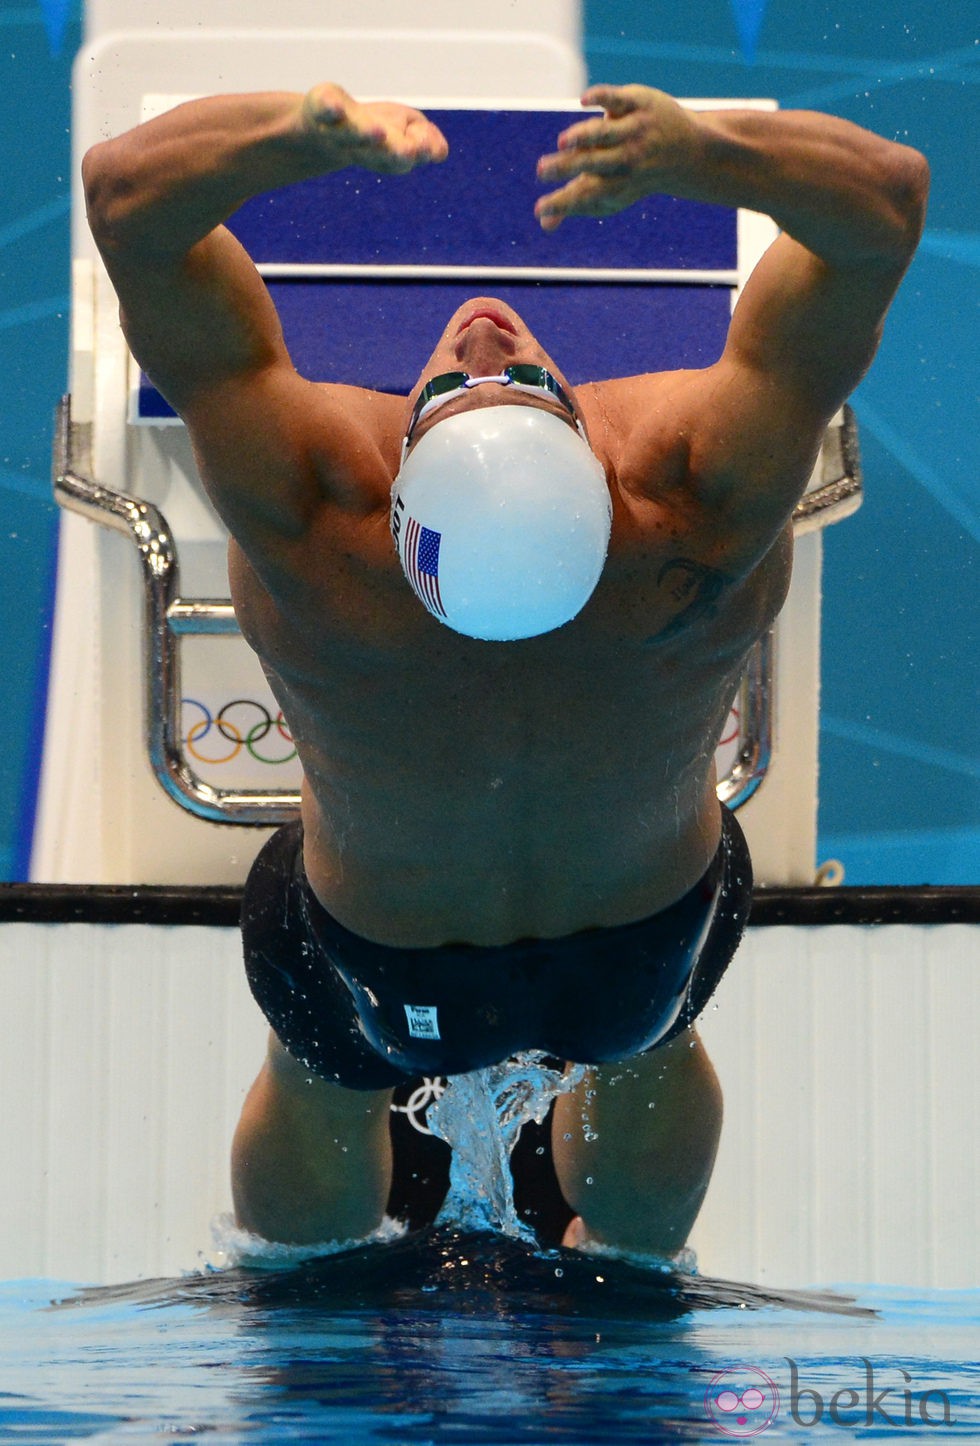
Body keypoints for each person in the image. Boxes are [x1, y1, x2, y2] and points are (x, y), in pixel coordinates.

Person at [82, 81, 928, 1254]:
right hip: (641, 944)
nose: (484, 336)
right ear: (584, 438)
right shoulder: (694, 492)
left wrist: (295, 136)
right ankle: (632, 1271)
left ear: (406, 466)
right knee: (652, 1040)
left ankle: (296, 1279)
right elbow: (882, 204)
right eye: (504, 375)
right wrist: (708, 153)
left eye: (470, 380)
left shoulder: (323, 503)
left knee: (319, 1059)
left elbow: (126, 200)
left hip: (376, 948)